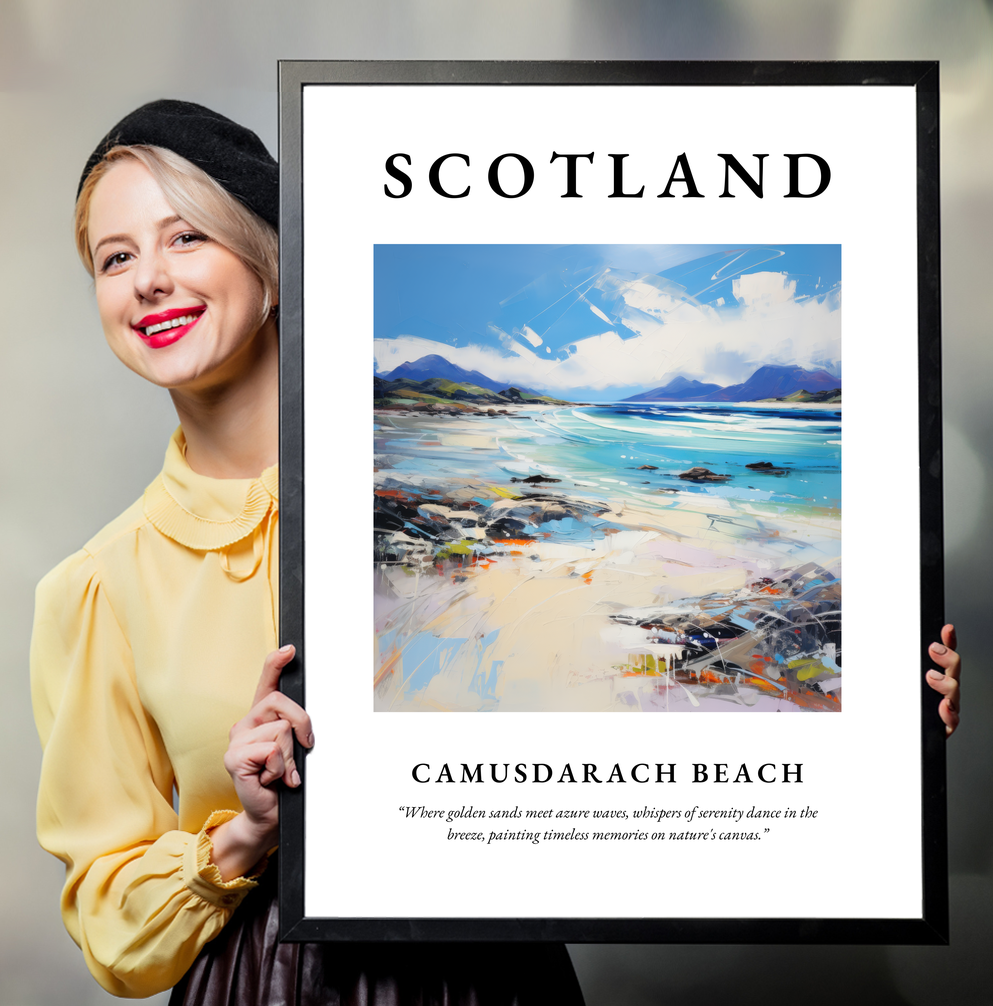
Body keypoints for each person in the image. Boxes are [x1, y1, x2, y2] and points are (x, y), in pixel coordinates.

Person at [30, 100, 586, 1004]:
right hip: (262, 981)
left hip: (493, 972)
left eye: (185, 238)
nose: (148, 281)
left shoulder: (446, 508)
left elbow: (600, 703)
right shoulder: (97, 587)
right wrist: (245, 832)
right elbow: (110, 923)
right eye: (116, 257)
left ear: (273, 263)